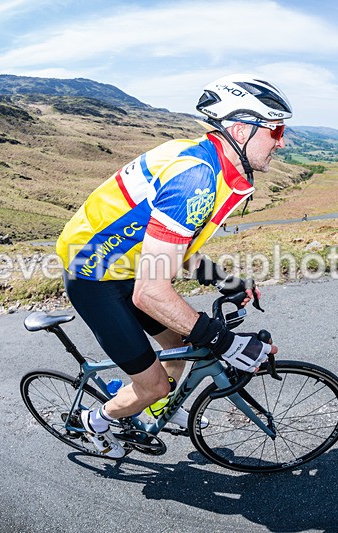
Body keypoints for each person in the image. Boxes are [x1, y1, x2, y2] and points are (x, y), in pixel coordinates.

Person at [55, 74, 290, 458]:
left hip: (124, 264)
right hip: (93, 276)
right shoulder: (196, 179)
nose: (282, 140)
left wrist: (223, 279)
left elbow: (168, 248)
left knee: (180, 347)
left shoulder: (207, 162)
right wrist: (225, 341)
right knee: (153, 384)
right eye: (276, 129)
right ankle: (95, 421)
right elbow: (150, 293)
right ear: (241, 128)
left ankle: (158, 410)